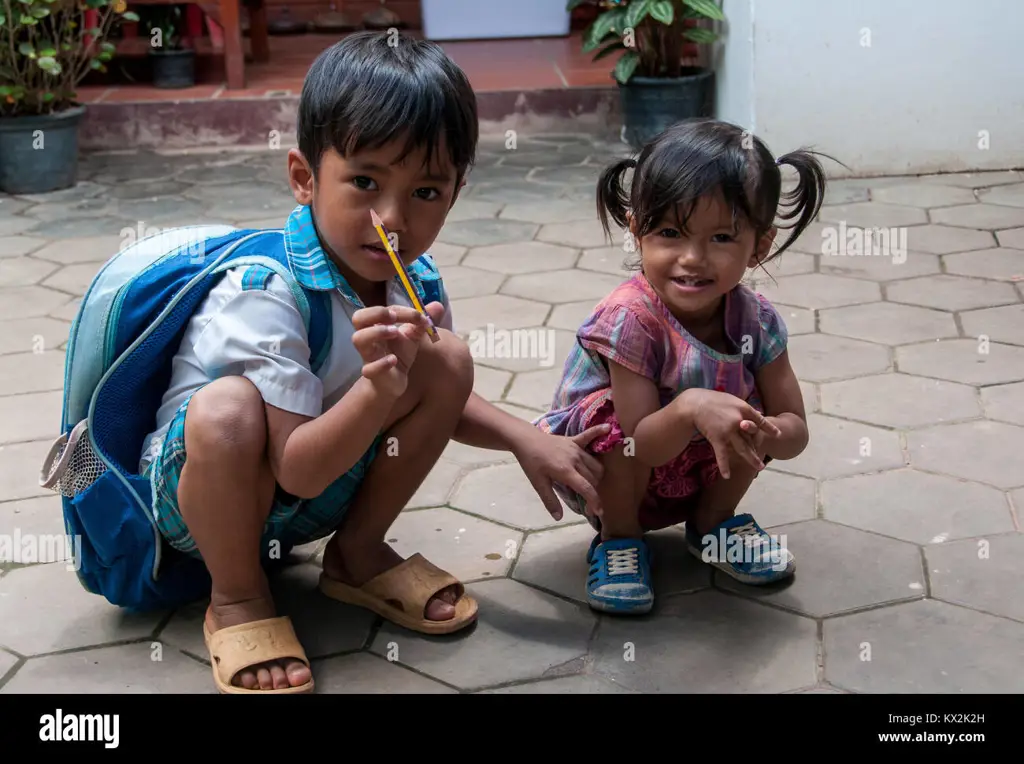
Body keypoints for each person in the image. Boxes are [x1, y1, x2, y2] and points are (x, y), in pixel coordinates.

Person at [137, 31, 610, 694]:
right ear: (305, 177)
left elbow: (435, 395)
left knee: (446, 359)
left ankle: (356, 556)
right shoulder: (266, 289)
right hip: (209, 501)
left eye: (426, 192)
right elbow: (297, 471)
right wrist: (375, 392)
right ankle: (238, 596)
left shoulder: (413, 280)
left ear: (458, 191)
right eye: (364, 182)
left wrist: (523, 438)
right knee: (225, 410)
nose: (391, 220)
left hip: (313, 477)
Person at [534, 118, 829, 615]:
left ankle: (713, 525)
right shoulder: (631, 319)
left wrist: (761, 431)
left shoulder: (757, 321)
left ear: (760, 245)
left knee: (747, 408)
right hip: (611, 471)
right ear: (637, 231)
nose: (691, 258)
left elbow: (796, 431)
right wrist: (693, 405)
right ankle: (619, 541)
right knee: (610, 419)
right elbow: (639, 441)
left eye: (720, 238)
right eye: (669, 232)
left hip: (692, 465)